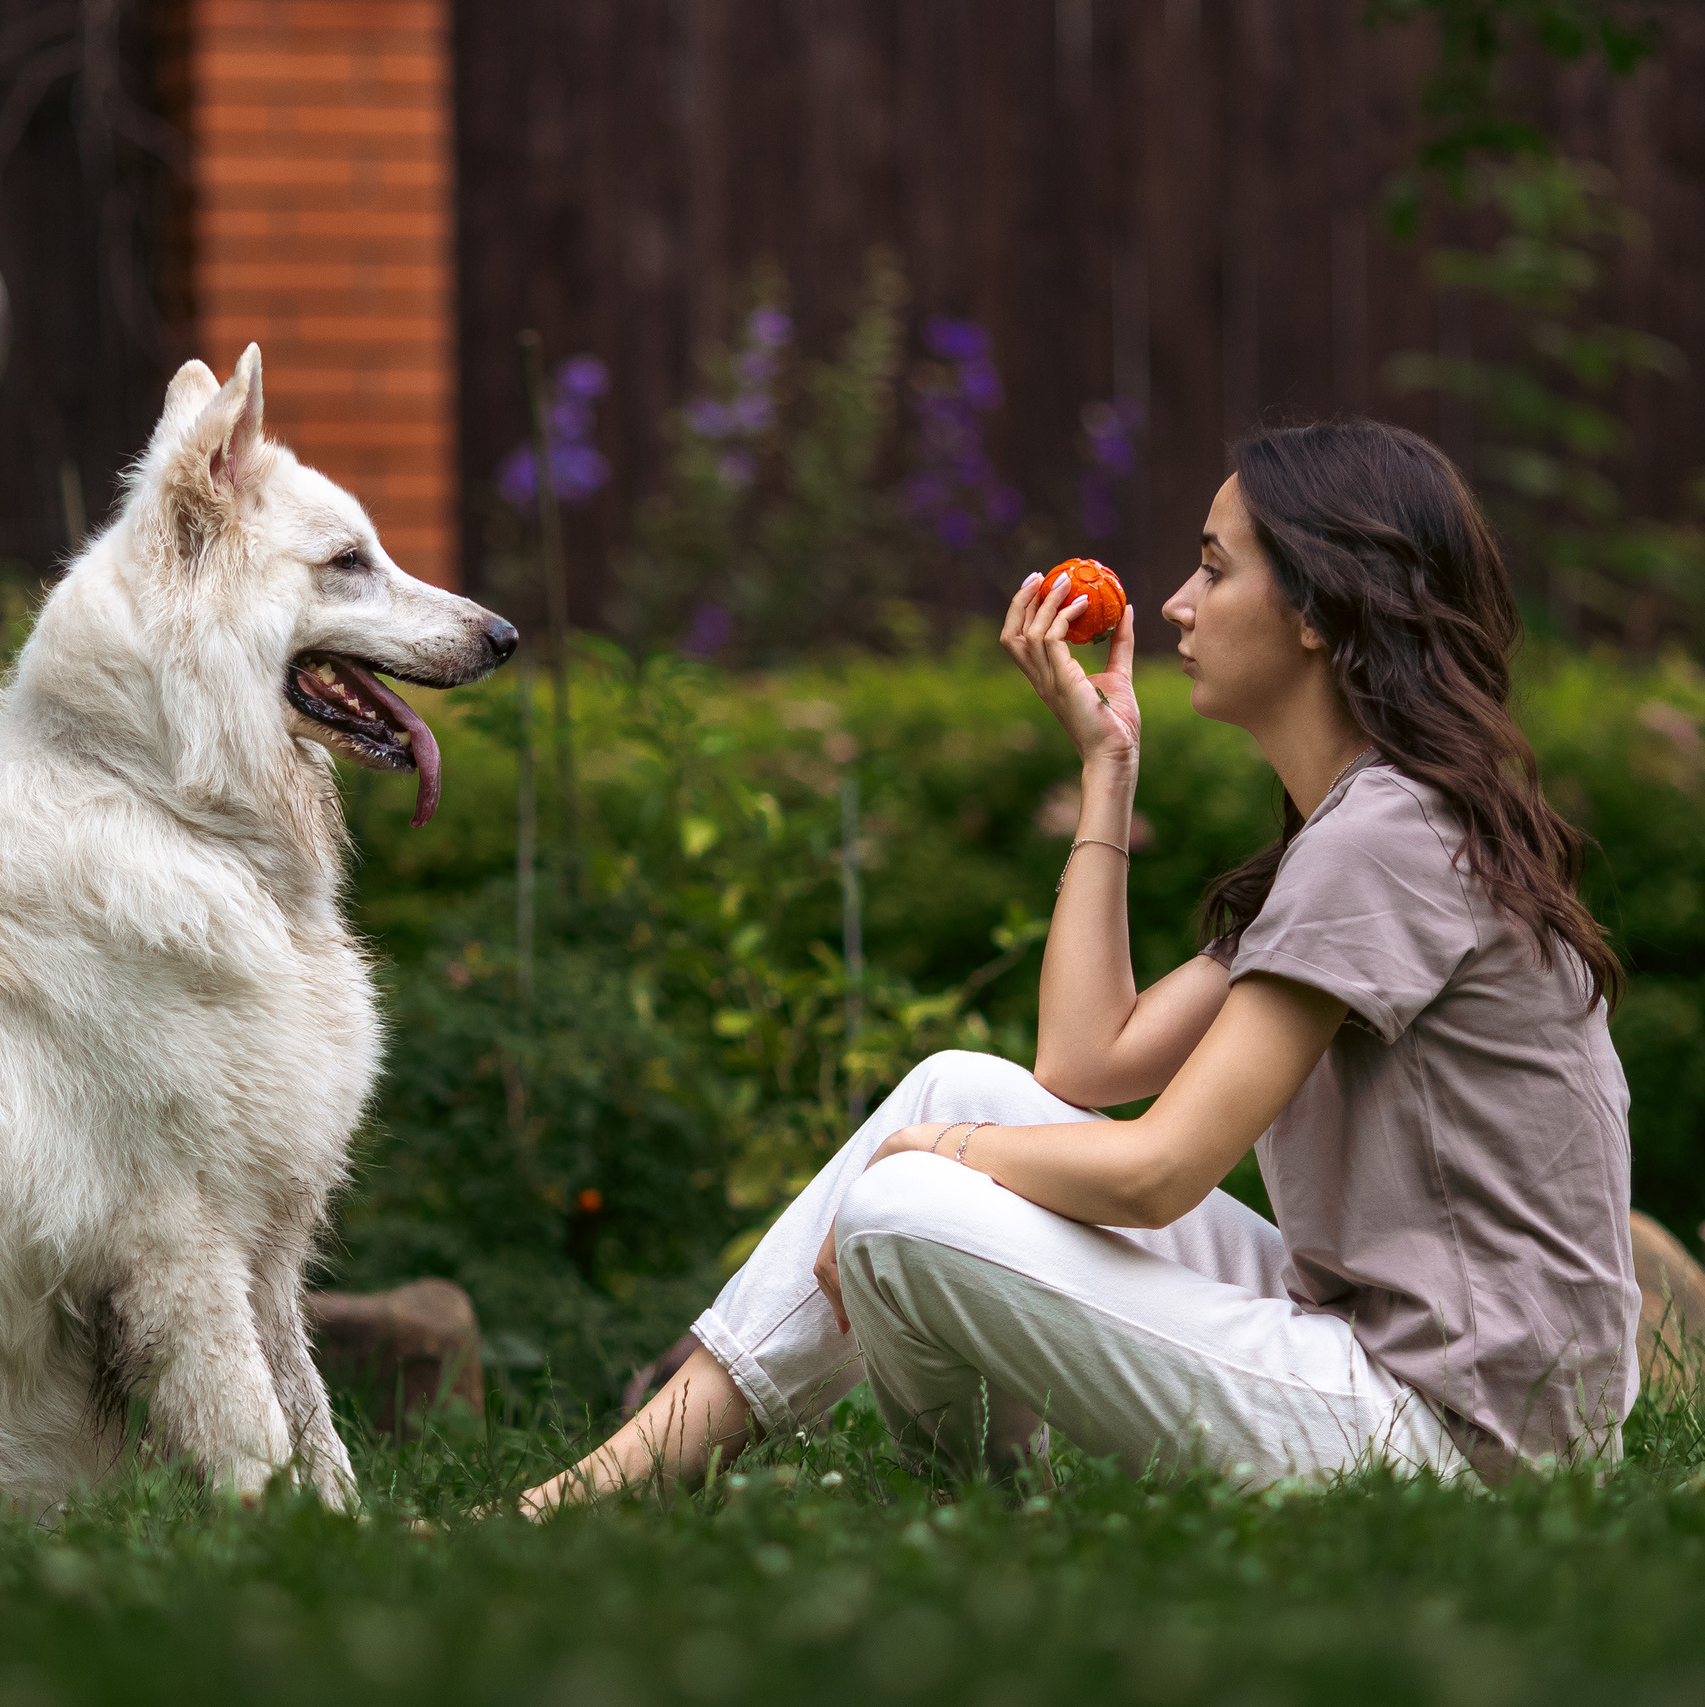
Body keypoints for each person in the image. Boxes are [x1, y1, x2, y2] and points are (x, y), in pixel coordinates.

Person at [519, 419, 1637, 1511]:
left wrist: (931, 1157)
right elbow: (1086, 1062)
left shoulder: (1381, 839)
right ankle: (613, 1486)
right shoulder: (1365, 828)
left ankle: (970, 1504)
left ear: (1315, 609)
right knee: (958, 1086)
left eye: (1215, 568)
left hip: (1461, 1434)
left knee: (903, 1199)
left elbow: (1159, 1171)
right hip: (1398, 1357)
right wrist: (1108, 768)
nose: (1176, 603)